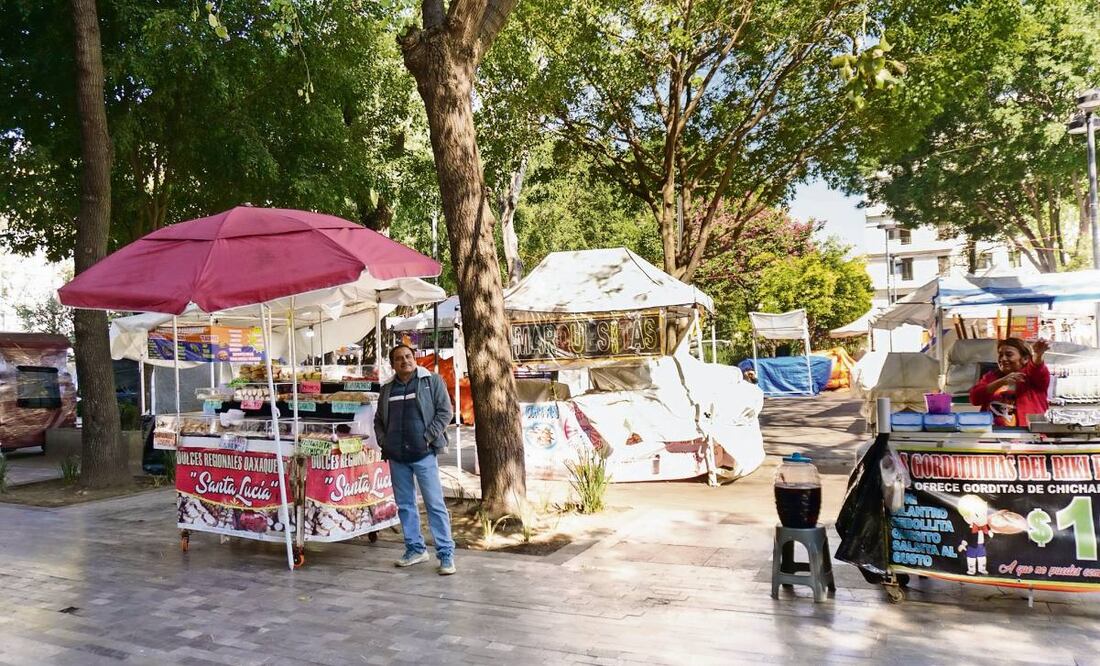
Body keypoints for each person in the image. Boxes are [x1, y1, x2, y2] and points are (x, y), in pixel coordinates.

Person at [374, 344, 456, 575]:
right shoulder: (387, 389)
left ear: (415, 358)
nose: (405, 361)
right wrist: (384, 441)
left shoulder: (431, 381)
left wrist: (427, 437)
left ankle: (446, 554)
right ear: (393, 364)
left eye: (408, 356)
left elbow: (445, 412)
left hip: (424, 454)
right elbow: (379, 420)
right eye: (399, 358)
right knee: (405, 505)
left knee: (434, 504)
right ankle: (415, 549)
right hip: (397, 456)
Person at [969, 337, 1050, 428]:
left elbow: (1036, 367)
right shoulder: (991, 376)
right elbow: (974, 399)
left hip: (1027, 433)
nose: (1003, 359)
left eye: (1009, 354)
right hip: (991, 433)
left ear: (1025, 359)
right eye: (1000, 355)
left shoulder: (1032, 376)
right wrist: (1001, 381)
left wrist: (1038, 354)